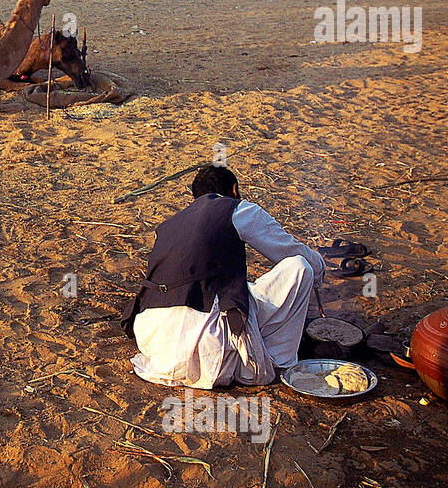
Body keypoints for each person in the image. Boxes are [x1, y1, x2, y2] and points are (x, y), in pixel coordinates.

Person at [120, 165, 325, 389]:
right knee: (301, 267)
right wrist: (320, 266)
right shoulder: (238, 210)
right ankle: (280, 362)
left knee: (238, 288)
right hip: (207, 349)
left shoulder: (167, 225)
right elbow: (288, 250)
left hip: (155, 343)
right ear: (234, 190)